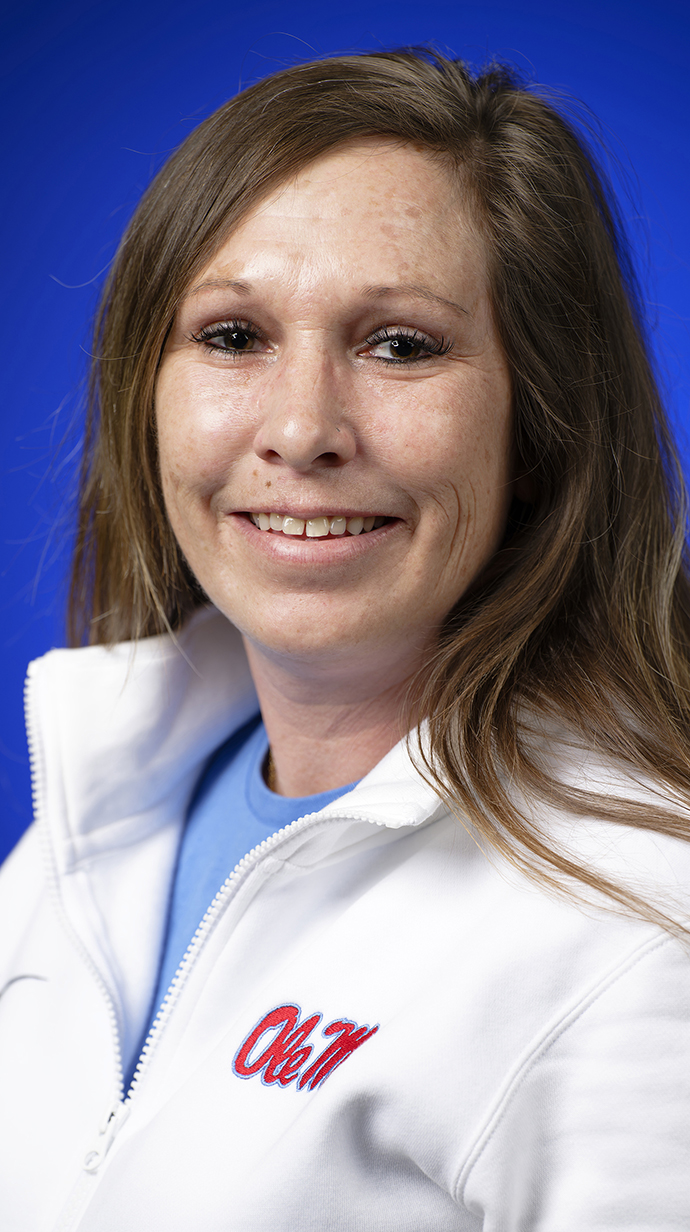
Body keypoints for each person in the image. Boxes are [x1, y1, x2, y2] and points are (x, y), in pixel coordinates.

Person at [1, 48, 689, 1232]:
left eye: (401, 345)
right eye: (231, 335)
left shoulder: (641, 929)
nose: (304, 427)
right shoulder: (87, 835)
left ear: (540, 426)